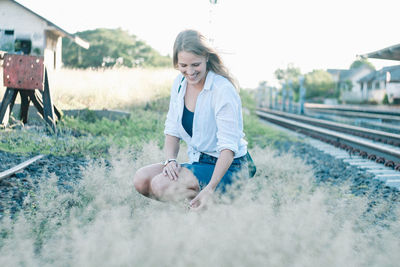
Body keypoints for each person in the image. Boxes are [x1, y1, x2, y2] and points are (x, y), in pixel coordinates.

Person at [133, 29, 250, 210]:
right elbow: (172, 128)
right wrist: (170, 160)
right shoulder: (179, 84)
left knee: (160, 185)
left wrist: (210, 187)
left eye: (195, 65)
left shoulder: (222, 90)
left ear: (206, 58)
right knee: (142, 179)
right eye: (183, 66)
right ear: (176, 63)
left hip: (230, 166)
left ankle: (212, 206)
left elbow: (228, 147)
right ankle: (196, 207)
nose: (190, 72)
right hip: (199, 160)